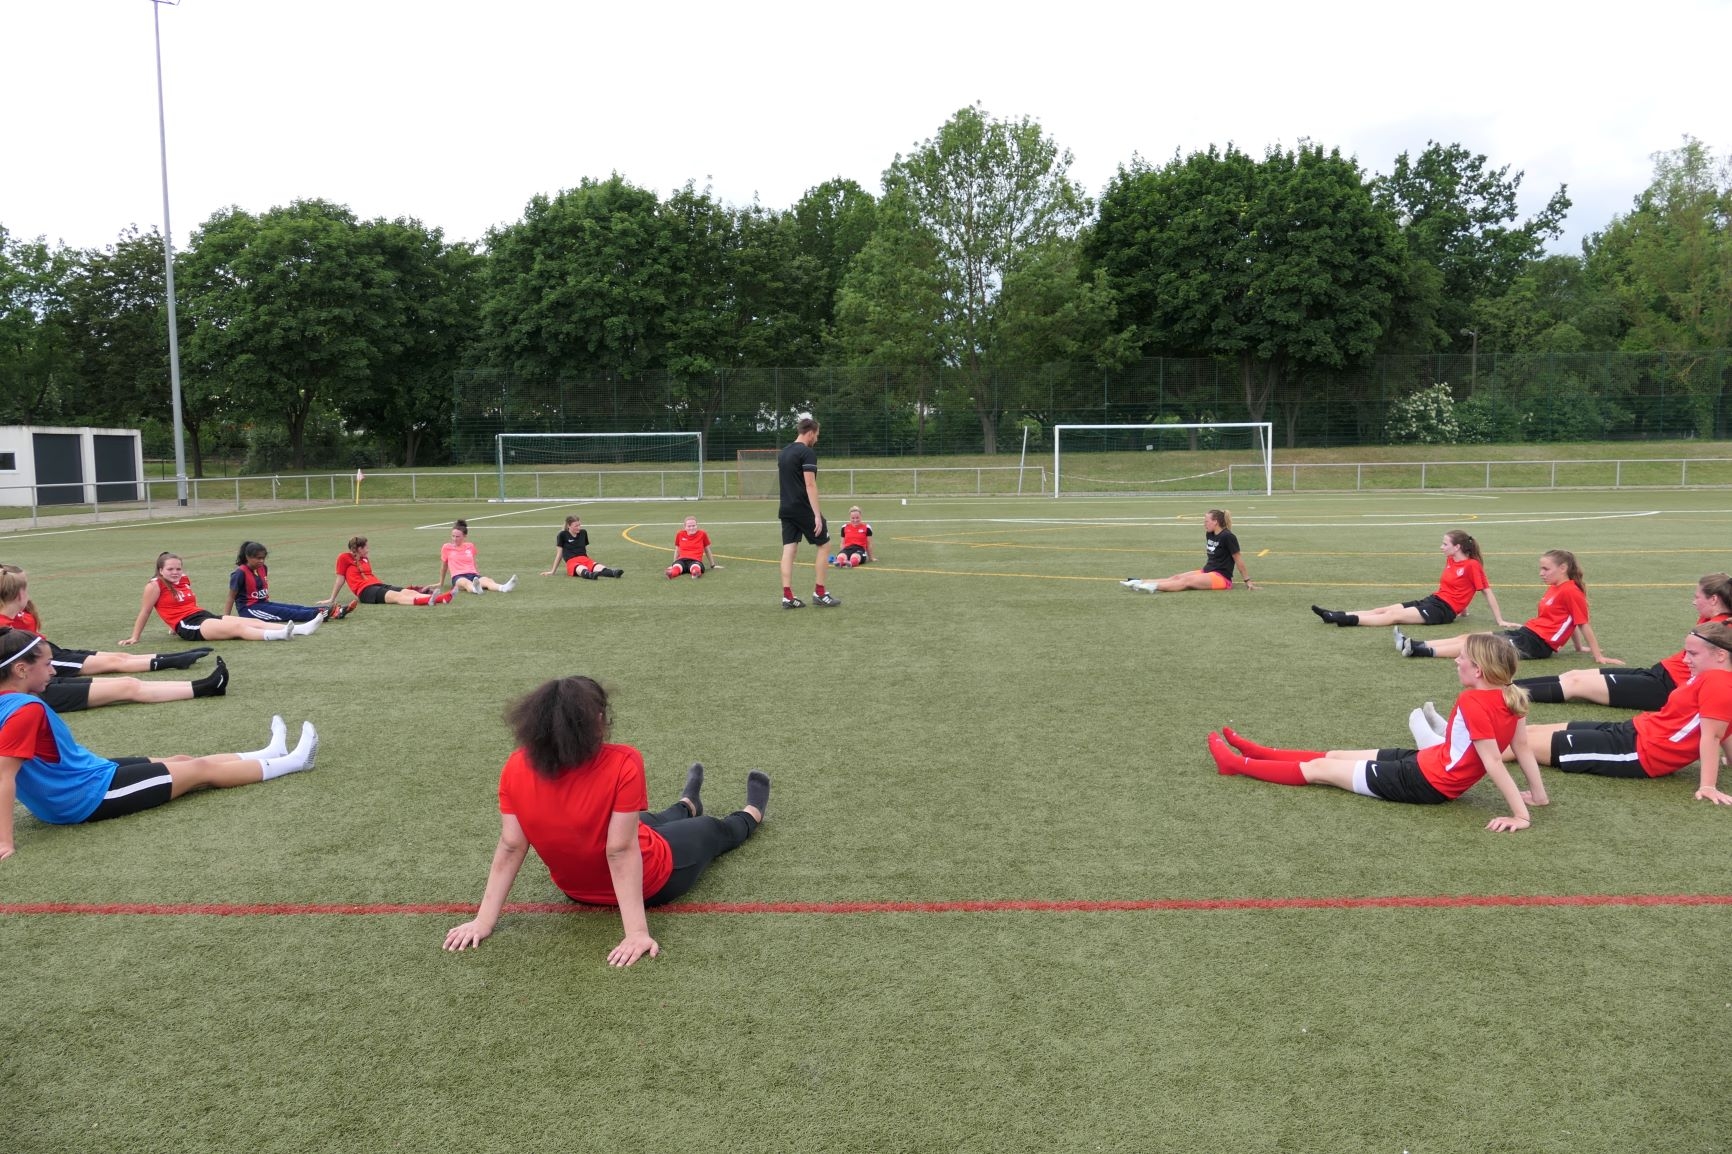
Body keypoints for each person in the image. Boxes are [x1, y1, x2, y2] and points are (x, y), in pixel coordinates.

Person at [442, 675, 770, 964]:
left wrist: (483, 922)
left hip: (575, 890)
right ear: (598, 720)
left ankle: (686, 804)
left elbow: (512, 846)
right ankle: (750, 814)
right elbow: (619, 850)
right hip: (652, 881)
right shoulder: (623, 761)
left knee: (645, 820)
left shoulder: (515, 765)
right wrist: (636, 933)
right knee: (711, 830)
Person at [0, 628, 317, 861]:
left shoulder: (14, 703)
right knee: (199, 770)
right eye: (47, 664)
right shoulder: (26, 710)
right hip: (83, 797)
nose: (54, 670)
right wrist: (5, 842)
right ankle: (294, 762)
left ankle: (268, 753)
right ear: (21, 669)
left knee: (180, 760)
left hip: (83, 776)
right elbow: (5, 776)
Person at [1207, 632, 1547, 831]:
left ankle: (1235, 765)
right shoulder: (1512, 694)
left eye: (1461, 658)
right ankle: (1257, 752)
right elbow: (1522, 748)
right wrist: (1539, 795)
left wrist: (1521, 815)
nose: (1455, 661)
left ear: (1478, 670)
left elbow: (1494, 762)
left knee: (1320, 770)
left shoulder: (1474, 701)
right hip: (1427, 762)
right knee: (1336, 755)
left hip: (1427, 783)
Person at [1464, 621, 1732, 805]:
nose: (1685, 659)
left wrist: (1707, 785)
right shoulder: (1710, 676)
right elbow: (1726, 728)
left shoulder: (1719, 683)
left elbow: (1712, 735)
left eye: (1693, 654)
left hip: (1640, 753)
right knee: (1528, 733)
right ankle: (1456, 741)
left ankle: (1455, 753)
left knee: (1524, 745)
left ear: (1720, 655)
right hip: (1634, 731)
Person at [1512, 573, 1732, 709]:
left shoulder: (1723, 629)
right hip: (1658, 673)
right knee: (1573, 674)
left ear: (1713, 599)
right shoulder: (1712, 619)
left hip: (1665, 688)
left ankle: (1507, 695)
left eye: (1697, 597)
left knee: (1576, 684)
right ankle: (1508, 687)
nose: (1693, 602)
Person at [1395, 549, 1616, 665]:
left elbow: (1582, 623)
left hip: (1537, 644)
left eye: (1546, 569)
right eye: (1541, 568)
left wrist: (1597, 655)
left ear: (1563, 568)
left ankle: (1420, 651)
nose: (1541, 573)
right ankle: (1415, 643)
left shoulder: (1571, 591)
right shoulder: (1555, 588)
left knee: (1477, 647)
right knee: (1469, 637)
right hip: (1527, 633)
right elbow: (1569, 621)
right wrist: (1577, 647)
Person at [1, 565, 210, 678]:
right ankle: (174, 662)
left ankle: (177, 656)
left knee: (119, 656)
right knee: (114, 663)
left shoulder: (23, 614)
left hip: (49, 650)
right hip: (39, 660)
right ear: (18, 594)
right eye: (26, 589)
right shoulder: (4, 625)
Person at [1310, 530, 1503, 628]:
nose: (1441, 547)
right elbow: (1459, 586)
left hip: (1442, 611)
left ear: (1457, 547)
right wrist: (1464, 610)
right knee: (1383, 609)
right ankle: (1334, 614)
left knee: (1392, 617)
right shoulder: (1451, 560)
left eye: (1445, 544)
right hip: (1434, 600)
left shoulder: (1472, 565)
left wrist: (1500, 620)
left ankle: (1345, 620)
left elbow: (1486, 591)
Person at [123, 553, 323, 646]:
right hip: (188, 624)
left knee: (252, 621)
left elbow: (185, 603)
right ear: (160, 570)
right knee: (237, 629)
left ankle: (301, 629)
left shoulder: (183, 579)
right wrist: (135, 637)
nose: (175, 572)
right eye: (170, 569)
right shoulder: (154, 586)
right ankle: (279, 635)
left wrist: (170, 625)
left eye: (178, 568)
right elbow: (146, 611)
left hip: (201, 615)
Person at [778, 413, 836, 608]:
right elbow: (810, 484)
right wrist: (817, 515)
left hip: (785, 508)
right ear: (810, 433)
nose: (816, 439)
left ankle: (788, 596)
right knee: (825, 545)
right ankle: (820, 593)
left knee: (789, 549)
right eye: (817, 435)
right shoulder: (806, 453)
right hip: (802, 508)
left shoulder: (784, 452)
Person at [1122, 509, 1255, 593]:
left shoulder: (1228, 536)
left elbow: (1238, 560)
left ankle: (1153, 586)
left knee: (1187, 581)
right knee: (1177, 577)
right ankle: (1140, 582)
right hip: (1207, 571)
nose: (1204, 524)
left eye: (1206, 521)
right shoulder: (1210, 534)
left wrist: (1247, 581)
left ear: (1215, 522)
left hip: (1222, 578)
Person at [223, 541, 350, 624]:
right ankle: (320, 614)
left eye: (263, 558)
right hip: (250, 610)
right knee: (287, 613)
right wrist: (225, 619)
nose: (261, 561)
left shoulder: (263, 568)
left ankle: (332, 611)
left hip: (264, 604)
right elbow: (231, 597)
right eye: (258, 558)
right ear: (248, 557)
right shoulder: (240, 573)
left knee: (294, 607)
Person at [327, 537, 451, 607]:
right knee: (397, 597)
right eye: (366, 547)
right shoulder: (343, 557)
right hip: (365, 591)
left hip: (377, 584)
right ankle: (429, 600)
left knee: (408, 591)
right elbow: (340, 579)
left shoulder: (365, 559)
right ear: (359, 549)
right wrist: (332, 598)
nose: (368, 550)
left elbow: (369, 575)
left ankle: (440, 598)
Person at [436, 520, 517, 596]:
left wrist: (477, 576)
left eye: (457, 536)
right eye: (453, 536)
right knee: (466, 583)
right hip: (458, 577)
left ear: (464, 536)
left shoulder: (470, 546)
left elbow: (473, 562)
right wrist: (441, 583)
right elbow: (444, 567)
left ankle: (503, 587)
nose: (454, 539)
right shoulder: (446, 547)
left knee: (487, 580)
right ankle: (475, 589)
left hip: (473, 575)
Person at [541, 516, 623, 579]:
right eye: (576, 526)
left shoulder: (583, 532)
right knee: (581, 568)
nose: (579, 527)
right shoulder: (562, 535)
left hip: (585, 559)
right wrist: (552, 571)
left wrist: (589, 561)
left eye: (579, 525)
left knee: (599, 567)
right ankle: (590, 575)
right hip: (572, 562)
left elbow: (583, 549)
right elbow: (559, 554)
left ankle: (613, 573)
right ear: (569, 526)